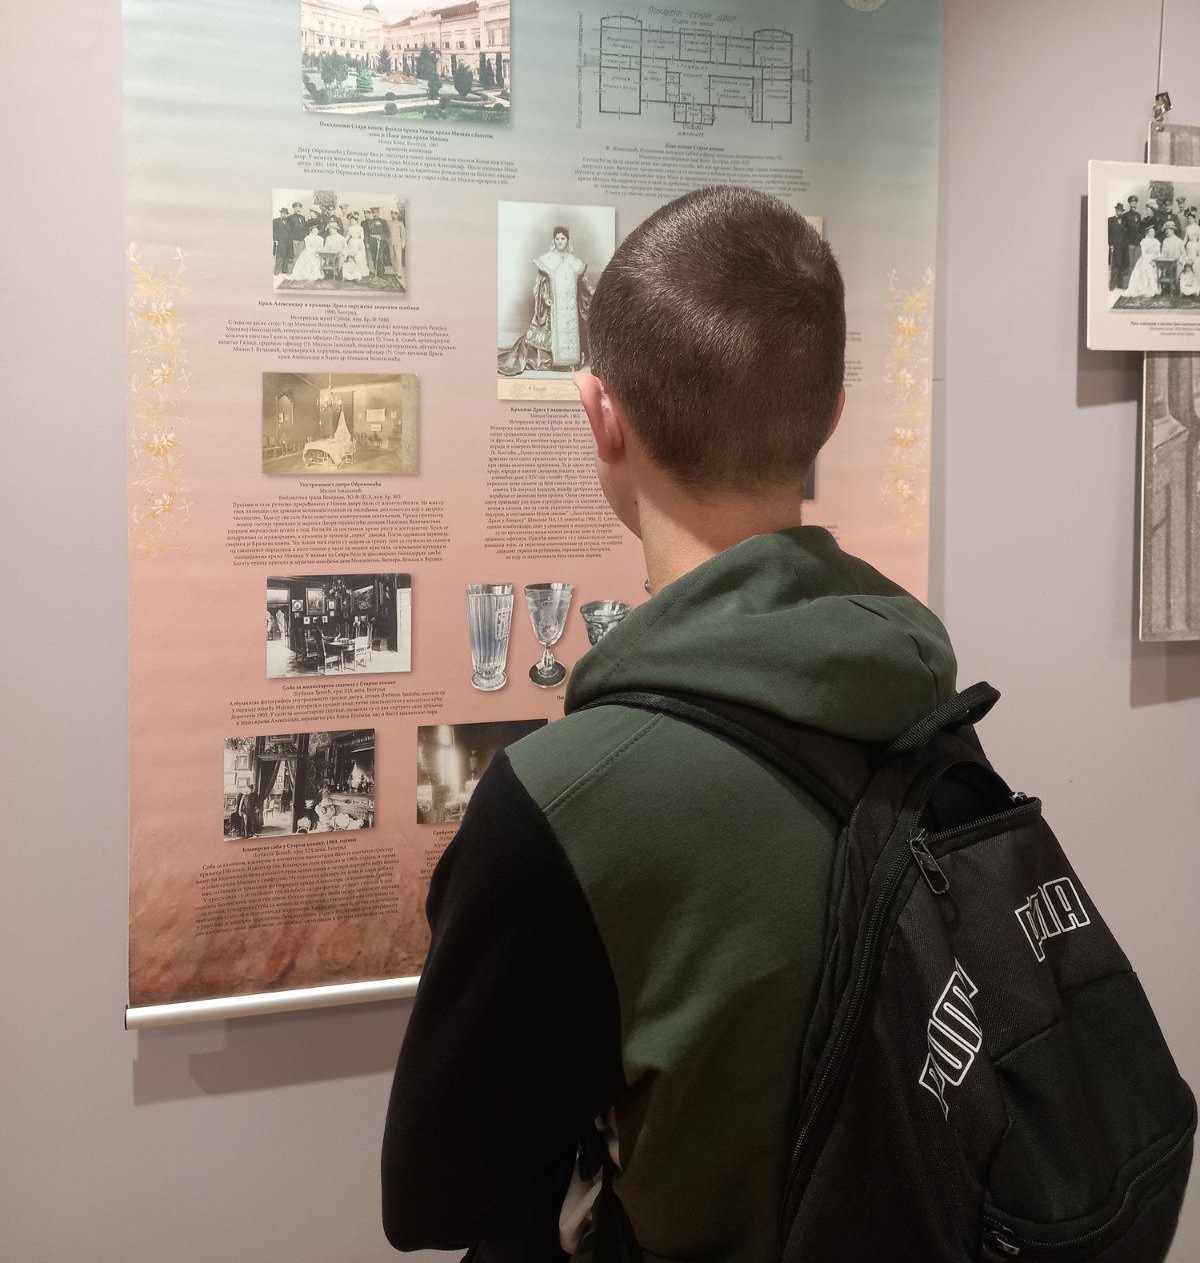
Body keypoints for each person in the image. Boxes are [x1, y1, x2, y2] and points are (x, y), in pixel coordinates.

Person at [382, 187, 958, 1263]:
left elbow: (429, 1199)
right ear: (834, 412)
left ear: (599, 413)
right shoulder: (925, 702)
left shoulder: (562, 800)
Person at [498, 224, 593, 376]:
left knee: (571, 334)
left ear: (568, 241)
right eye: (557, 239)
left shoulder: (575, 263)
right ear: (554, 241)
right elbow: (541, 284)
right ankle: (549, 360)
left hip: (570, 311)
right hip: (553, 308)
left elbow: (583, 285)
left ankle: (570, 362)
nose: (560, 241)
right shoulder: (547, 260)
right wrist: (545, 298)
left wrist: (592, 293)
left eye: (563, 238)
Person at [1127, 226, 1162, 297]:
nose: (1152, 233)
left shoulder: (1157, 242)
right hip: (1146, 259)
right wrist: (1149, 261)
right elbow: (1143, 254)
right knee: (1148, 268)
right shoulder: (1144, 241)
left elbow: (1158, 253)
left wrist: (1156, 261)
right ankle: (1146, 288)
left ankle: (1155, 287)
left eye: (1153, 231)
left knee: (1157, 269)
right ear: (1147, 233)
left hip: (1155, 259)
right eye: (1150, 231)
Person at [342, 214, 369, 282]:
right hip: (351, 243)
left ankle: (361, 271)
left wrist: (360, 243)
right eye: (351, 221)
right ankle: (352, 272)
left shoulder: (360, 228)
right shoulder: (350, 228)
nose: (352, 222)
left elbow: (362, 237)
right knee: (351, 256)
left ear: (356, 221)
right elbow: (348, 236)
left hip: (358, 242)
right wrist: (344, 241)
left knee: (359, 256)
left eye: (353, 220)